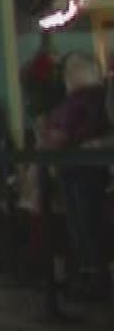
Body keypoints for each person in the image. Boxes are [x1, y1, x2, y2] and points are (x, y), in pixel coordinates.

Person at [52, 52, 110, 301]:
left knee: (87, 223)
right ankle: (88, 273)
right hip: (76, 168)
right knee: (81, 223)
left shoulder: (89, 100)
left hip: (85, 169)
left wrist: (64, 138)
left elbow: (79, 129)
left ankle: (93, 275)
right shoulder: (84, 100)